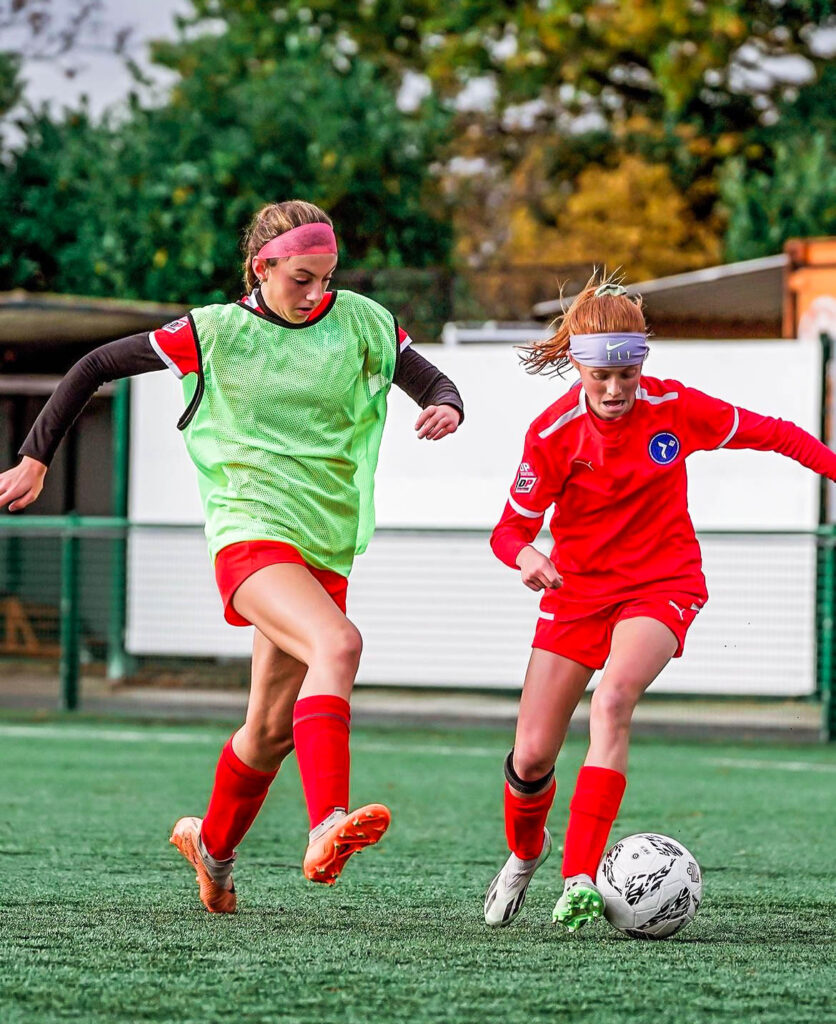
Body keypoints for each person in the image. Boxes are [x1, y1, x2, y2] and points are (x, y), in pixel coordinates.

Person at [0, 200, 463, 914]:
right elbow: (94, 365)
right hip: (250, 533)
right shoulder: (213, 332)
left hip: (325, 542)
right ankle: (327, 821)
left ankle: (210, 852)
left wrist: (447, 407)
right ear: (261, 267)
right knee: (338, 643)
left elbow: (430, 380)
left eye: (327, 277)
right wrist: (34, 458)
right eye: (301, 279)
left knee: (270, 732)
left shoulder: (361, 321)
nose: (316, 293)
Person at [483, 272, 836, 932]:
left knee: (613, 700)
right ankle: (527, 853)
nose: (616, 390)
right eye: (601, 377)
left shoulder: (675, 407)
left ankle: (578, 877)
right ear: (578, 367)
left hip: (661, 584)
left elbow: (778, 433)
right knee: (530, 757)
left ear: (643, 362)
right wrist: (527, 556)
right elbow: (509, 530)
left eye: (628, 374)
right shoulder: (552, 434)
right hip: (575, 596)